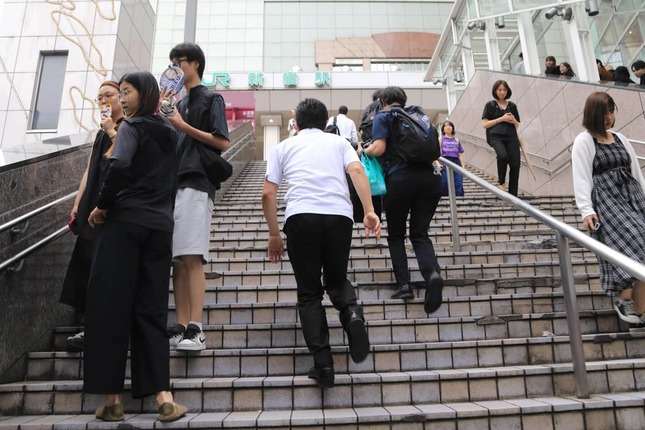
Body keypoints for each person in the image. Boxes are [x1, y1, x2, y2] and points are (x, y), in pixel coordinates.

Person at [83, 71, 187, 422]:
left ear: (145, 95)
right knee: (151, 310)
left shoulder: (131, 127)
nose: (123, 99)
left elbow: (120, 165)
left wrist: (102, 205)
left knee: (110, 307)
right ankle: (164, 398)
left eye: (127, 92)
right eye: (122, 93)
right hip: (159, 228)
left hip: (125, 224)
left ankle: (113, 401)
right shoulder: (169, 133)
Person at [262, 98, 380, 388]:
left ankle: (324, 366)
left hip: (300, 216)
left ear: (297, 123)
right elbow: (357, 171)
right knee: (336, 279)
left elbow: (267, 194)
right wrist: (368, 211)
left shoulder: (283, 147)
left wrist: (275, 234)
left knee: (309, 294)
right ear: (326, 123)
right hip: (339, 216)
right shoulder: (339, 143)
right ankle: (351, 313)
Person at [165, 42, 230, 351]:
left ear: (195, 65)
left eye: (180, 62)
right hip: (173, 183)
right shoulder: (175, 102)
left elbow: (222, 142)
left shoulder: (211, 98)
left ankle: (196, 327)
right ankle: (180, 325)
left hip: (197, 181)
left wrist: (182, 125)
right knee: (177, 259)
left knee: (191, 255)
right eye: (172, 63)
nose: (175, 68)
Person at [361, 86, 444, 311]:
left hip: (401, 178)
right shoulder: (417, 115)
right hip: (430, 179)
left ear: (383, 102)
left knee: (396, 235)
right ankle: (432, 274)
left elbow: (379, 148)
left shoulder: (383, 116)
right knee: (420, 233)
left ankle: (405, 285)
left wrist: (363, 150)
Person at [60, 81, 125, 351]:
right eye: (99, 97)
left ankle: (99, 328)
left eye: (109, 95)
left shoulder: (126, 128)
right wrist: (78, 202)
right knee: (87, 262)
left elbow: (123, 159)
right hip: (92, 204)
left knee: (103, 266)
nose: (103, 101)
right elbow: (90, 168)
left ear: (121, 97)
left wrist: (111, 129)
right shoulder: (101, 132)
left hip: (111, 207)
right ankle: (89, 324)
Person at [572, 92, 645, 324]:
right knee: (635, 241)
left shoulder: (620, 138)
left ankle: (640, 313)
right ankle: (624, 299)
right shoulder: (584, 141)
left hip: (633, 199)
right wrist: (586, 210)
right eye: (604, 113)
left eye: (612, 111)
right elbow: (581, 177)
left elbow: (636, 173)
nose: (609, 117)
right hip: (608, 202)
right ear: (593, 114)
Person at [481, 80, 522, 196]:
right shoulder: (490, 105)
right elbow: (485, 124)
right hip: (496, 136)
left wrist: (513, 120)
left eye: (504, 90)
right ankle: (501, 181)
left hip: (511, 137)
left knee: (515, 165)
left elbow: (517, 125)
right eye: (499, 90)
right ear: (495, 91)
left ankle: (513, 196)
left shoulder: (512, 106)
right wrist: (502, 119)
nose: (502, 92)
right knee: (503, 156)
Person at [439, 120, 465, 197]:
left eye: (450, 126)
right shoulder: (440, 139)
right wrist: (437, 164)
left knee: (458, 181)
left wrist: (463, 166)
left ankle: (459, 198)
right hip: (444, 161)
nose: (448, 127)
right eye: (446, 126)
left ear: (452, 128)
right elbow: (436, 154)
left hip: (456, 162)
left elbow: (460, 154)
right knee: (444, 182)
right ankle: (445, 198)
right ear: (443, 129)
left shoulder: (456, 140)